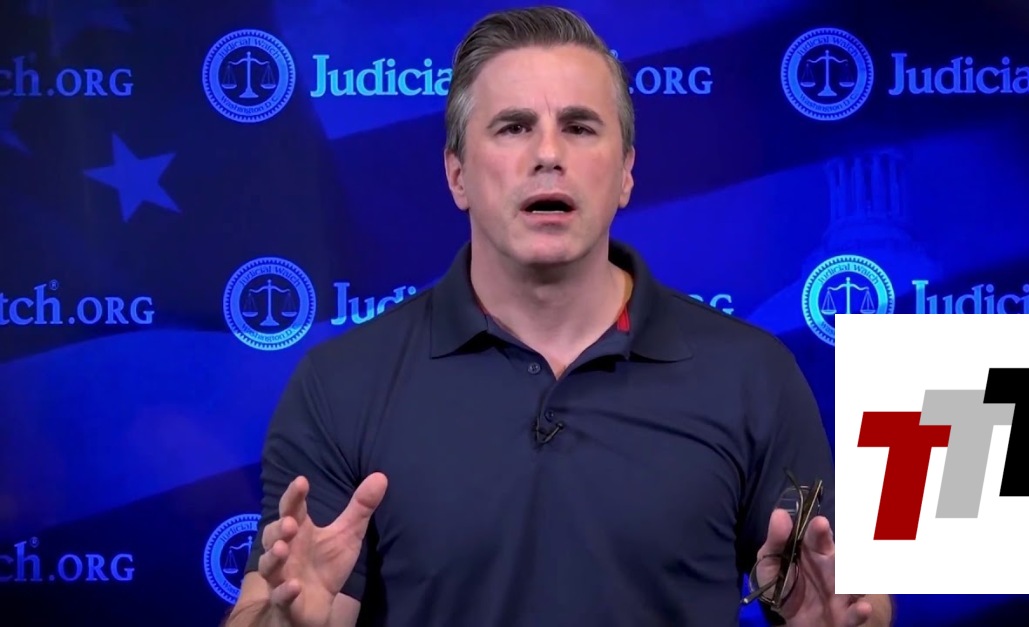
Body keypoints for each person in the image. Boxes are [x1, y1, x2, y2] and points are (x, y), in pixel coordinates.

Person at [224, 6, 892, 627]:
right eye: (513, 127)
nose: (548, 153)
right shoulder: (341, 385)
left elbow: (848, 599)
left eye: (579, 127)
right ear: (457, 174)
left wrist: (842, 618)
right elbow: (272, 605)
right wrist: (282, 619)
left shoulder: (751, 374)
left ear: (625, 173)